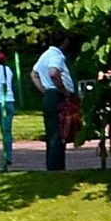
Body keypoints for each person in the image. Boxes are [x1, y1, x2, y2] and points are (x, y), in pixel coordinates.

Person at [32, 35, 79, 171]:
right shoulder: (56, 56)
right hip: (57, 96)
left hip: (50, 95)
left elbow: (34, 74)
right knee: (59, 132)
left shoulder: (45, 55)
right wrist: (63, 90)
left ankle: (53, 166)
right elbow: (53, 73)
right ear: (65, 41)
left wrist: (44, 90)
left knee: (53, 132)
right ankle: (56, 167)